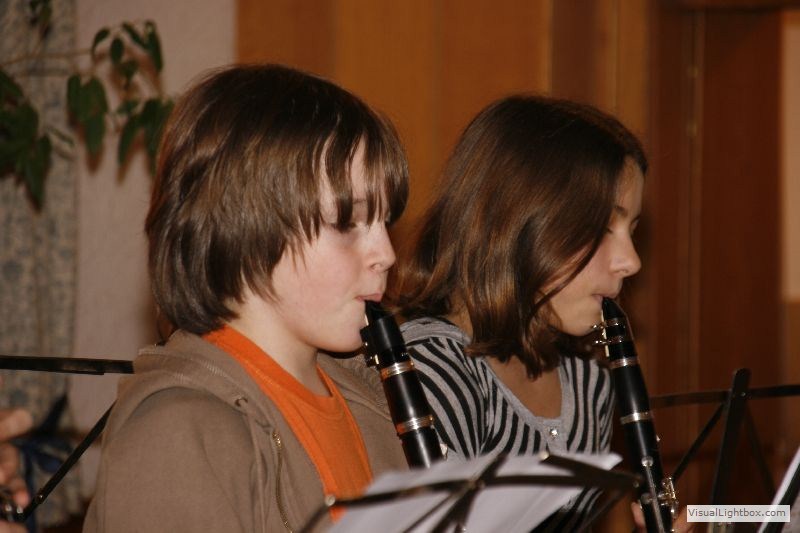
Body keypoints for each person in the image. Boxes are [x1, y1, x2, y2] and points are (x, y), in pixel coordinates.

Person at [82, 64, 409, 532]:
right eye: (346, 223)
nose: (386, 254)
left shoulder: (370, 399)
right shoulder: (178, 434)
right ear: (247, 230)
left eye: (384, 221)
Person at [392, 95, 663, 530]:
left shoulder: (588, 381)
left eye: (631, 230)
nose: (631, 261)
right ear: (517, 221)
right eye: (602, 228)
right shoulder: (433, 370)